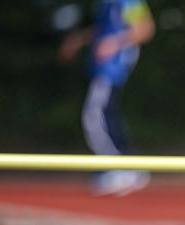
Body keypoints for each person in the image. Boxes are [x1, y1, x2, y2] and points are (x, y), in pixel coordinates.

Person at [59, 0, 155, 197]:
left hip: (112, 68)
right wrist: (80, 39)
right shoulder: (106, 3)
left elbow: (145, 29)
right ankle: (124, 167)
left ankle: (120, 168)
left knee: (94, 116)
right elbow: (104, 30)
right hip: (103, 68)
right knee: (106, 116)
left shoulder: (128, 1)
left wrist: (115, 43)